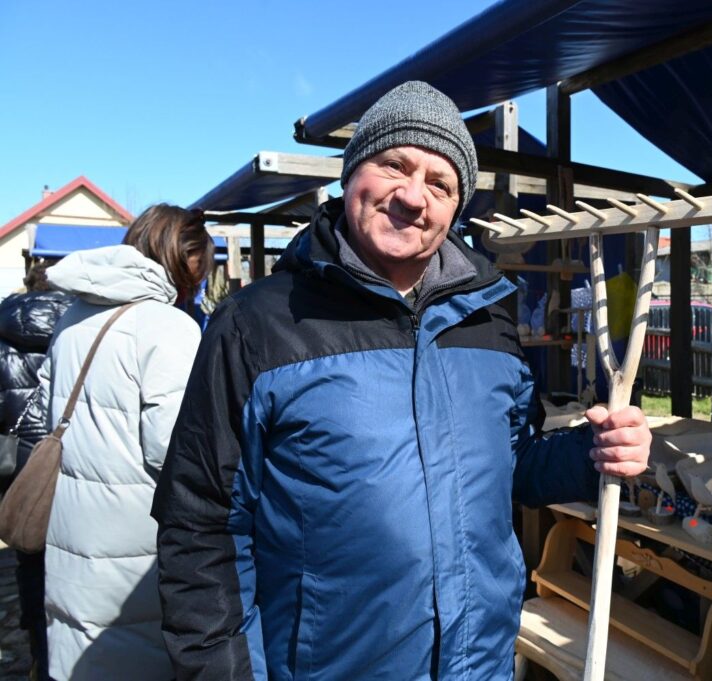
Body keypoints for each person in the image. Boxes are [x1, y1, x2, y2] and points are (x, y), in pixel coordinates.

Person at [153, 80, 651, 680]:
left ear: (456, 207)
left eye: (440, 184)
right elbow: (202, 526)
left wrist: (590, 453)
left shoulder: (488, 317)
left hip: (478, 665)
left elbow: (511, 465)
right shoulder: (258, 325)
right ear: (349, 174)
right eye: (395, 164)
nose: (414, 197)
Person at [38, 204, 214, 680]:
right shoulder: (166, 326)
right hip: (136, 544)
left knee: (84, 654)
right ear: (188, 260)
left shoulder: (74, 315)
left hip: (73, 526)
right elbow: (174, 450)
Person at [0, 262, 73, 680]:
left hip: (19, 461)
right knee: (67, 553)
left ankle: (37, 649)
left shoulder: (3, 325)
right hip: (64, 456)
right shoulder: (77, 325)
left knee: (28, 555)